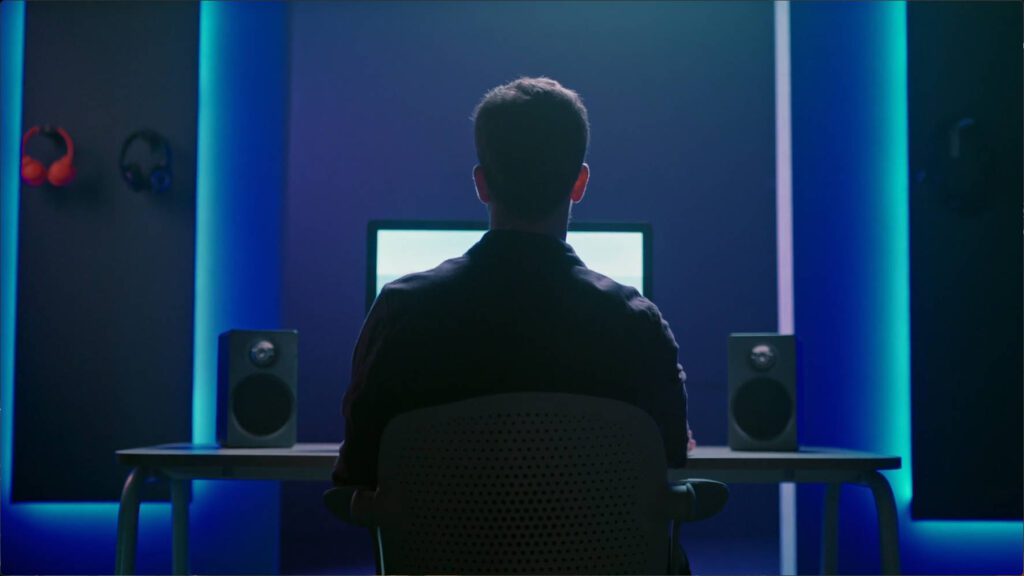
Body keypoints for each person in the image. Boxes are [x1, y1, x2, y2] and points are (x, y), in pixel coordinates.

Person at [333, 77, 694, 568]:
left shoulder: (400, 313)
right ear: (580, 182)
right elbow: (670, 459)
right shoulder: (636, 325)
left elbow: (358, 471)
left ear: (481, 183)